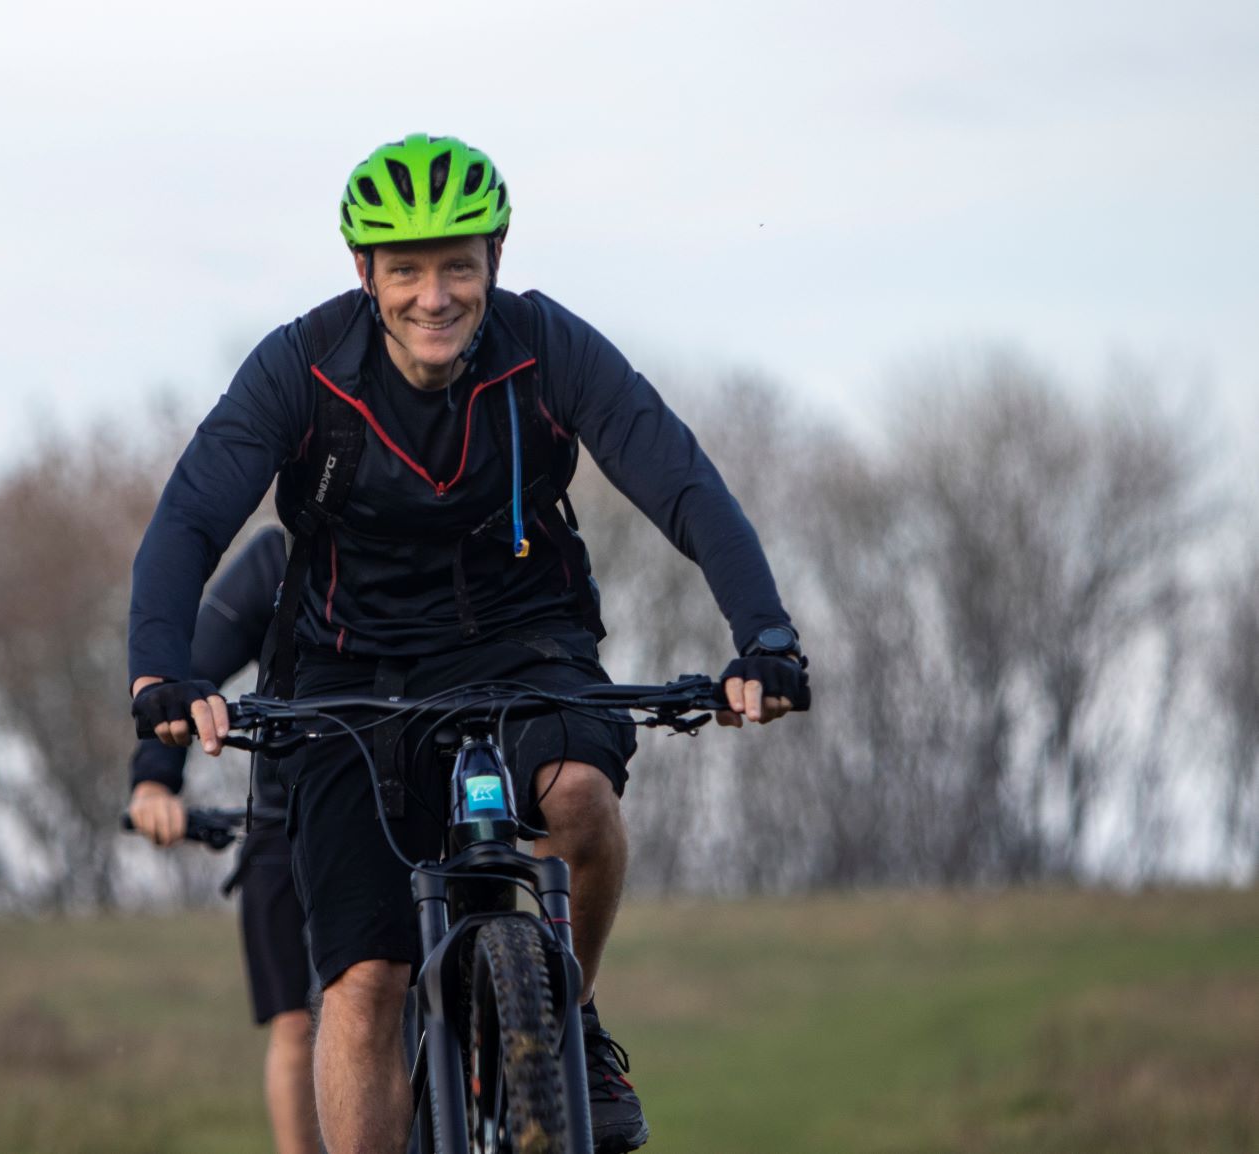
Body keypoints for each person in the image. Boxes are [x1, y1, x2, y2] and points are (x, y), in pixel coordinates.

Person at [128, 133, 809, 1154]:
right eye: (406, 270)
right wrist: (160, 673)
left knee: (579, 799)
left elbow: (680, 480)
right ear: (365, 271)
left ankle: (567, 1020)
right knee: (365, 978)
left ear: (494, 256)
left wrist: (763, 635)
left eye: (457, 265)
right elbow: (189, 518)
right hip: (346, 669)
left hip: (523, 643)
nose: (434, 296)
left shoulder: (546, 348)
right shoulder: (301, 366)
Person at [124, 526, 320, 1154]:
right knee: (298, 1025)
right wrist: (154, 784)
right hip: (285, 818)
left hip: (419, 805)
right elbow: (186, 673)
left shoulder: (446, 538)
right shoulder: (276, 561)